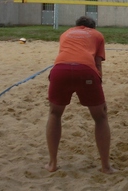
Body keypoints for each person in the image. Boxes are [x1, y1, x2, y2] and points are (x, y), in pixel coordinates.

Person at [45, 16, 115, 174]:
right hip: (85, 70)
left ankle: (52, 164)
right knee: (100, 117)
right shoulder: (97, 35)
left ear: (76, 25)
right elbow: (97, 64)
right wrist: (99, 85)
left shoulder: (66, 33)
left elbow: (66, 54)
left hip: (60, 70)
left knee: (54, 114)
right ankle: (105, 166)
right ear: (93, 27)